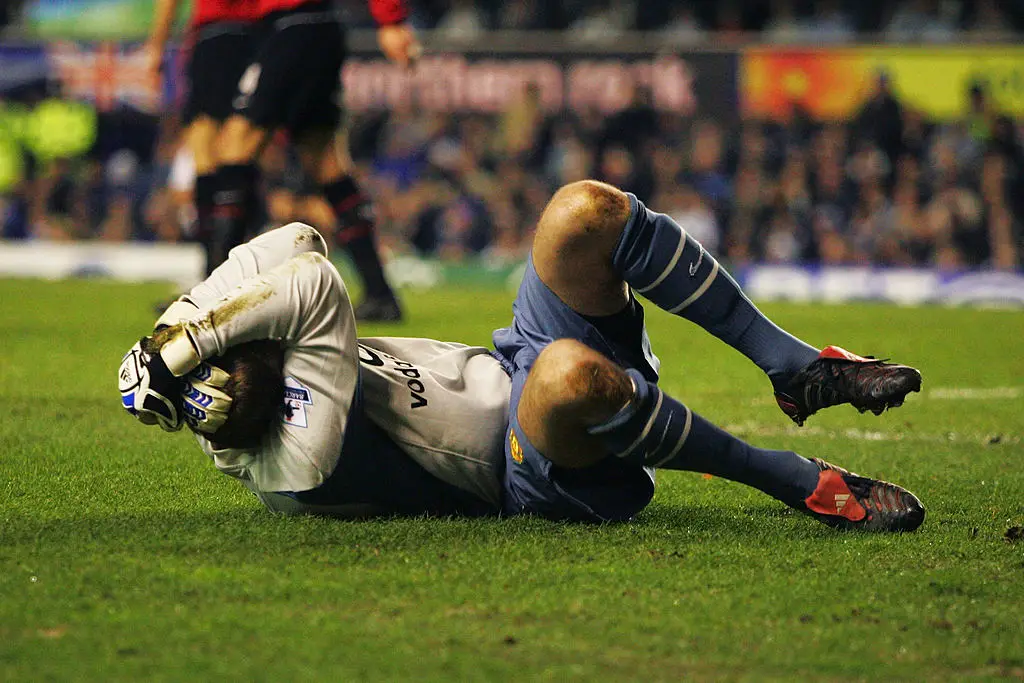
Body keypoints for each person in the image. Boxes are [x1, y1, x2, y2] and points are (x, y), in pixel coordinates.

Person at [118, 180, 926, 531]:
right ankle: (796, 479)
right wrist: (178, 338)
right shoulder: (298, 461)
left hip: (512, 357)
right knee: (569, 375)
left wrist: (179, 335)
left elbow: (294, 235)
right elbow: (313, 276)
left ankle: (792, 365)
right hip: (529, 469)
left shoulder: (242, 386)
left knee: (581, 211)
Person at [207, 0, 419, 322]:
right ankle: (379, 292)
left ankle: (215, 295)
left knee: (235, 146)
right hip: (310, 27)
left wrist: (390, 20)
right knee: (325, 162)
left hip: (294, 26)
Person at [145, 0, 258, 276]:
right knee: (239, 150)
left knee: (204, 150)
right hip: (258, 36)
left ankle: (212, 273)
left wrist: (156, 44)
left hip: (215, 34)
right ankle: (230, 270)